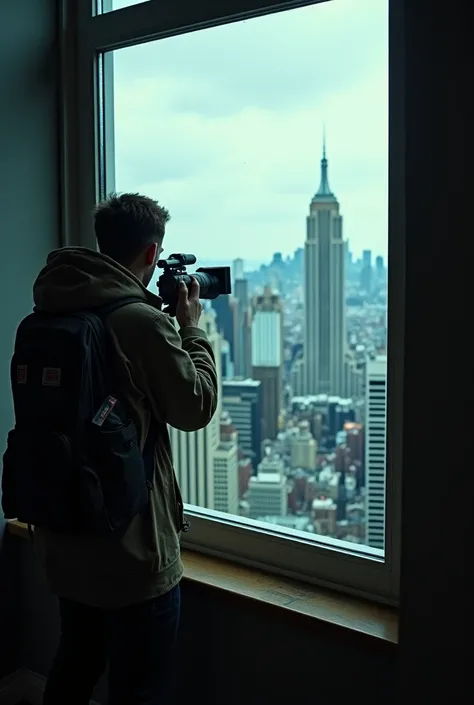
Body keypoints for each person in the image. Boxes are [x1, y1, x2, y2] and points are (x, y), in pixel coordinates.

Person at [33, 192, 218, 705]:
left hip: (68, 539)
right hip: (133, 556)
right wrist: (192, 331)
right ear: (153, 253)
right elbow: (195, 407)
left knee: (72, 669)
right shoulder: (138, 321)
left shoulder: (54, 306)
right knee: (140, 690)